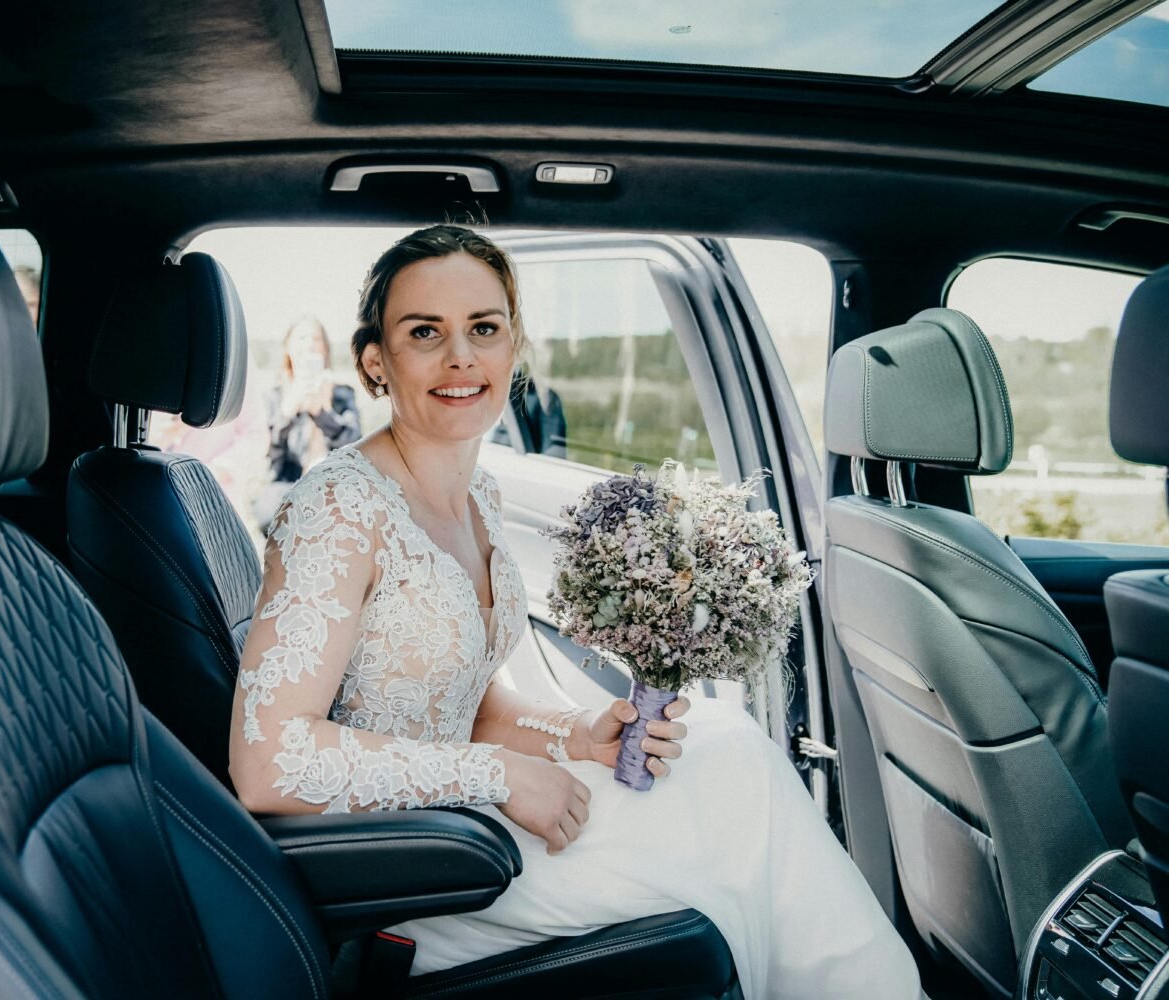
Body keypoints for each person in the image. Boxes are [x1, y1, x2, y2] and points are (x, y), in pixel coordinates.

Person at [228, 226, 923, 999]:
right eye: (425, 332)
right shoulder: (337, 509)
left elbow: (463, 704)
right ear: (374, 361)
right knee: (741, 807)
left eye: (484, 328)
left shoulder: (479, 496)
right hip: (416, 870)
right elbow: (268, 763)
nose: (460, 357)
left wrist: (581, 735)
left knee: (729, 748)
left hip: (464, 819)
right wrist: (498, 775)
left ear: (513, 347)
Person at [253, 315, 362, 533]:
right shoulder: (274, 397)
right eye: (301, 338)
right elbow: (270, 458)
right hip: (287, 483)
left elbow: (355, 446)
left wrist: (322, 413)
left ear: (325, 349)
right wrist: (287, 412)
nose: (310, 344)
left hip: (334, 482)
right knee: (272, 512)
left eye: (316, 338)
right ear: (288, 347)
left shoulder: (342, 394)